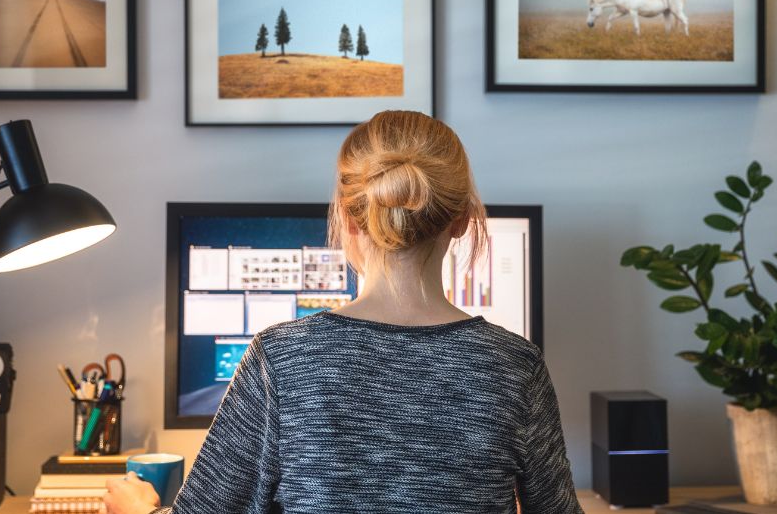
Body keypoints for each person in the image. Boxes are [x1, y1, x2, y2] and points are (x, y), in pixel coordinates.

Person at [103, 111, 582, 514]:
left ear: (350, 218)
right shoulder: (516, 367)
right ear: (461, 222)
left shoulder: (281, 359)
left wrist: (138, 509)